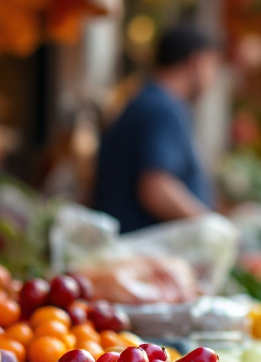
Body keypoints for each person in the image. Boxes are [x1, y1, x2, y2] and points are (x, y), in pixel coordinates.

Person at [93, 24, 219, 233]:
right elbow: (156, 189)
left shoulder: (146, 100)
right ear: (196, 62)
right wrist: (211, 225)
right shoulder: (163, 109)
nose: (213, 78)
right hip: (143, 249)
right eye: (213, 66)